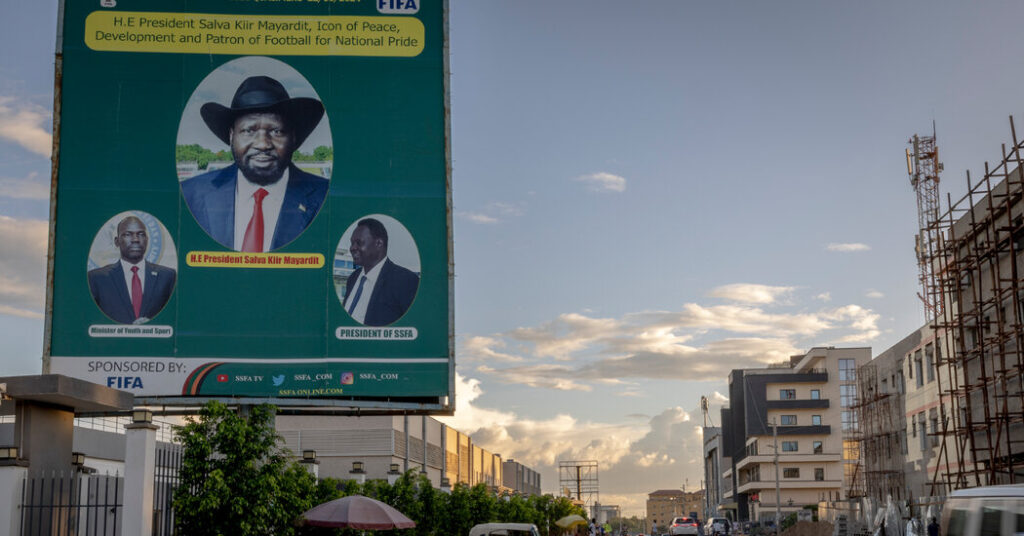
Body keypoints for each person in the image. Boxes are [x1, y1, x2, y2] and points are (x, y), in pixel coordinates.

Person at [181, 75, 328, 252]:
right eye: (249, 130)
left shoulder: (326, 197)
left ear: (293, 137)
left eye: (276, 131)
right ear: (231, 136)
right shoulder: (190, 194)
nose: (263, 144)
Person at [88, 216, 176, 324]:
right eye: (127, 234)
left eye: (141, 234)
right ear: (117, 241)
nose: (135, 239)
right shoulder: (96, 279)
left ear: (147, 240)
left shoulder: (168, 276)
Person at [343, 218, 419, 326]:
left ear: (379, 243)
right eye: (352, 243)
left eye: (359, 243)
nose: (352, 248)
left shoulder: (406, 281)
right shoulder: (352, 278)